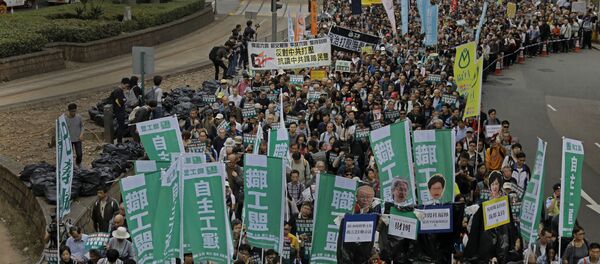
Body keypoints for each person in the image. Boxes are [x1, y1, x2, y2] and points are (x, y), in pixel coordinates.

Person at [109, 78, 129, 144]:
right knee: (121, 126)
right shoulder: (118, 91)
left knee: (121, 126)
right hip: (119, 111)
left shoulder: (119, 91)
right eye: (126, 86)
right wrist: (124, 100)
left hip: (119, 110)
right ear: (122, 84)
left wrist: (124, 99)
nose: (126, 88)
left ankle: (119, 140)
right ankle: (119, 141)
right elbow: (119, 102)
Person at [65, 103, 84, 167]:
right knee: (69, 154)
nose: (73, 113)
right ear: (69, 111)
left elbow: (82, 126)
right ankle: (71, 166)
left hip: (78, 139)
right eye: (72, 111)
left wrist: (81, 134)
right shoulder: (65, 119)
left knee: (79, 154)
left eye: (74, 111)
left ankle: (78, 163)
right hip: (69, 140)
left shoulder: (79, 117)